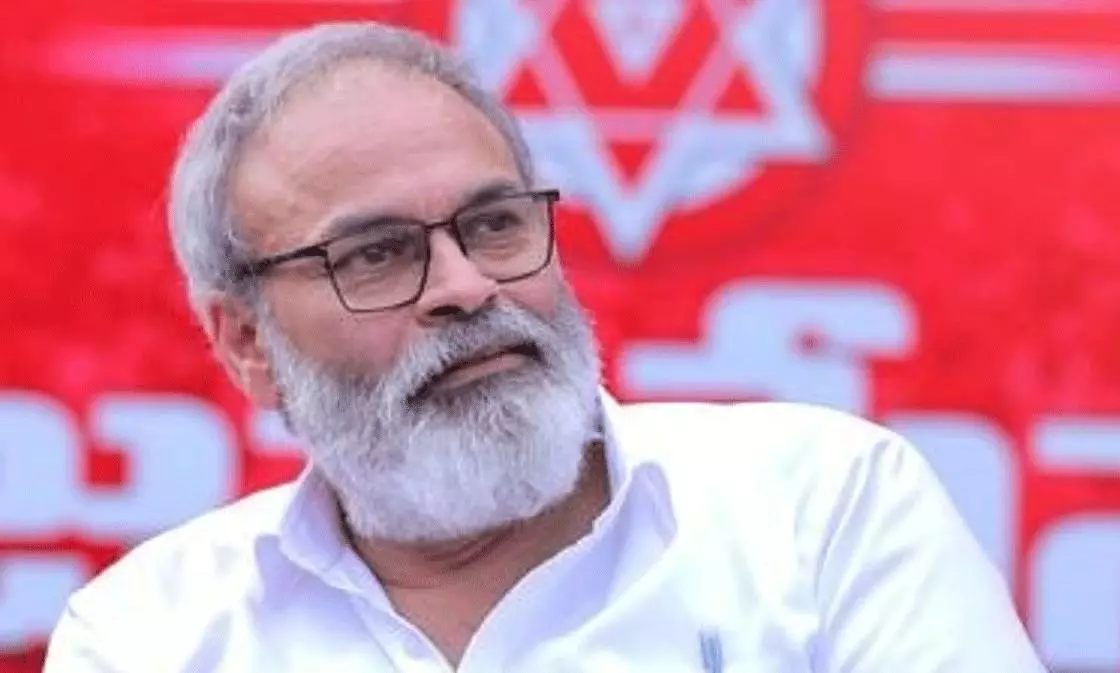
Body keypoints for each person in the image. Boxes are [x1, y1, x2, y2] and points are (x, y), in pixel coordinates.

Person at [44, 21, 1046, 672]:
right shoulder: (147, 636)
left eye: (494, 225)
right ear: (247, 342)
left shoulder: (822, 510)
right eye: (378, 253)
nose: (465, 286)